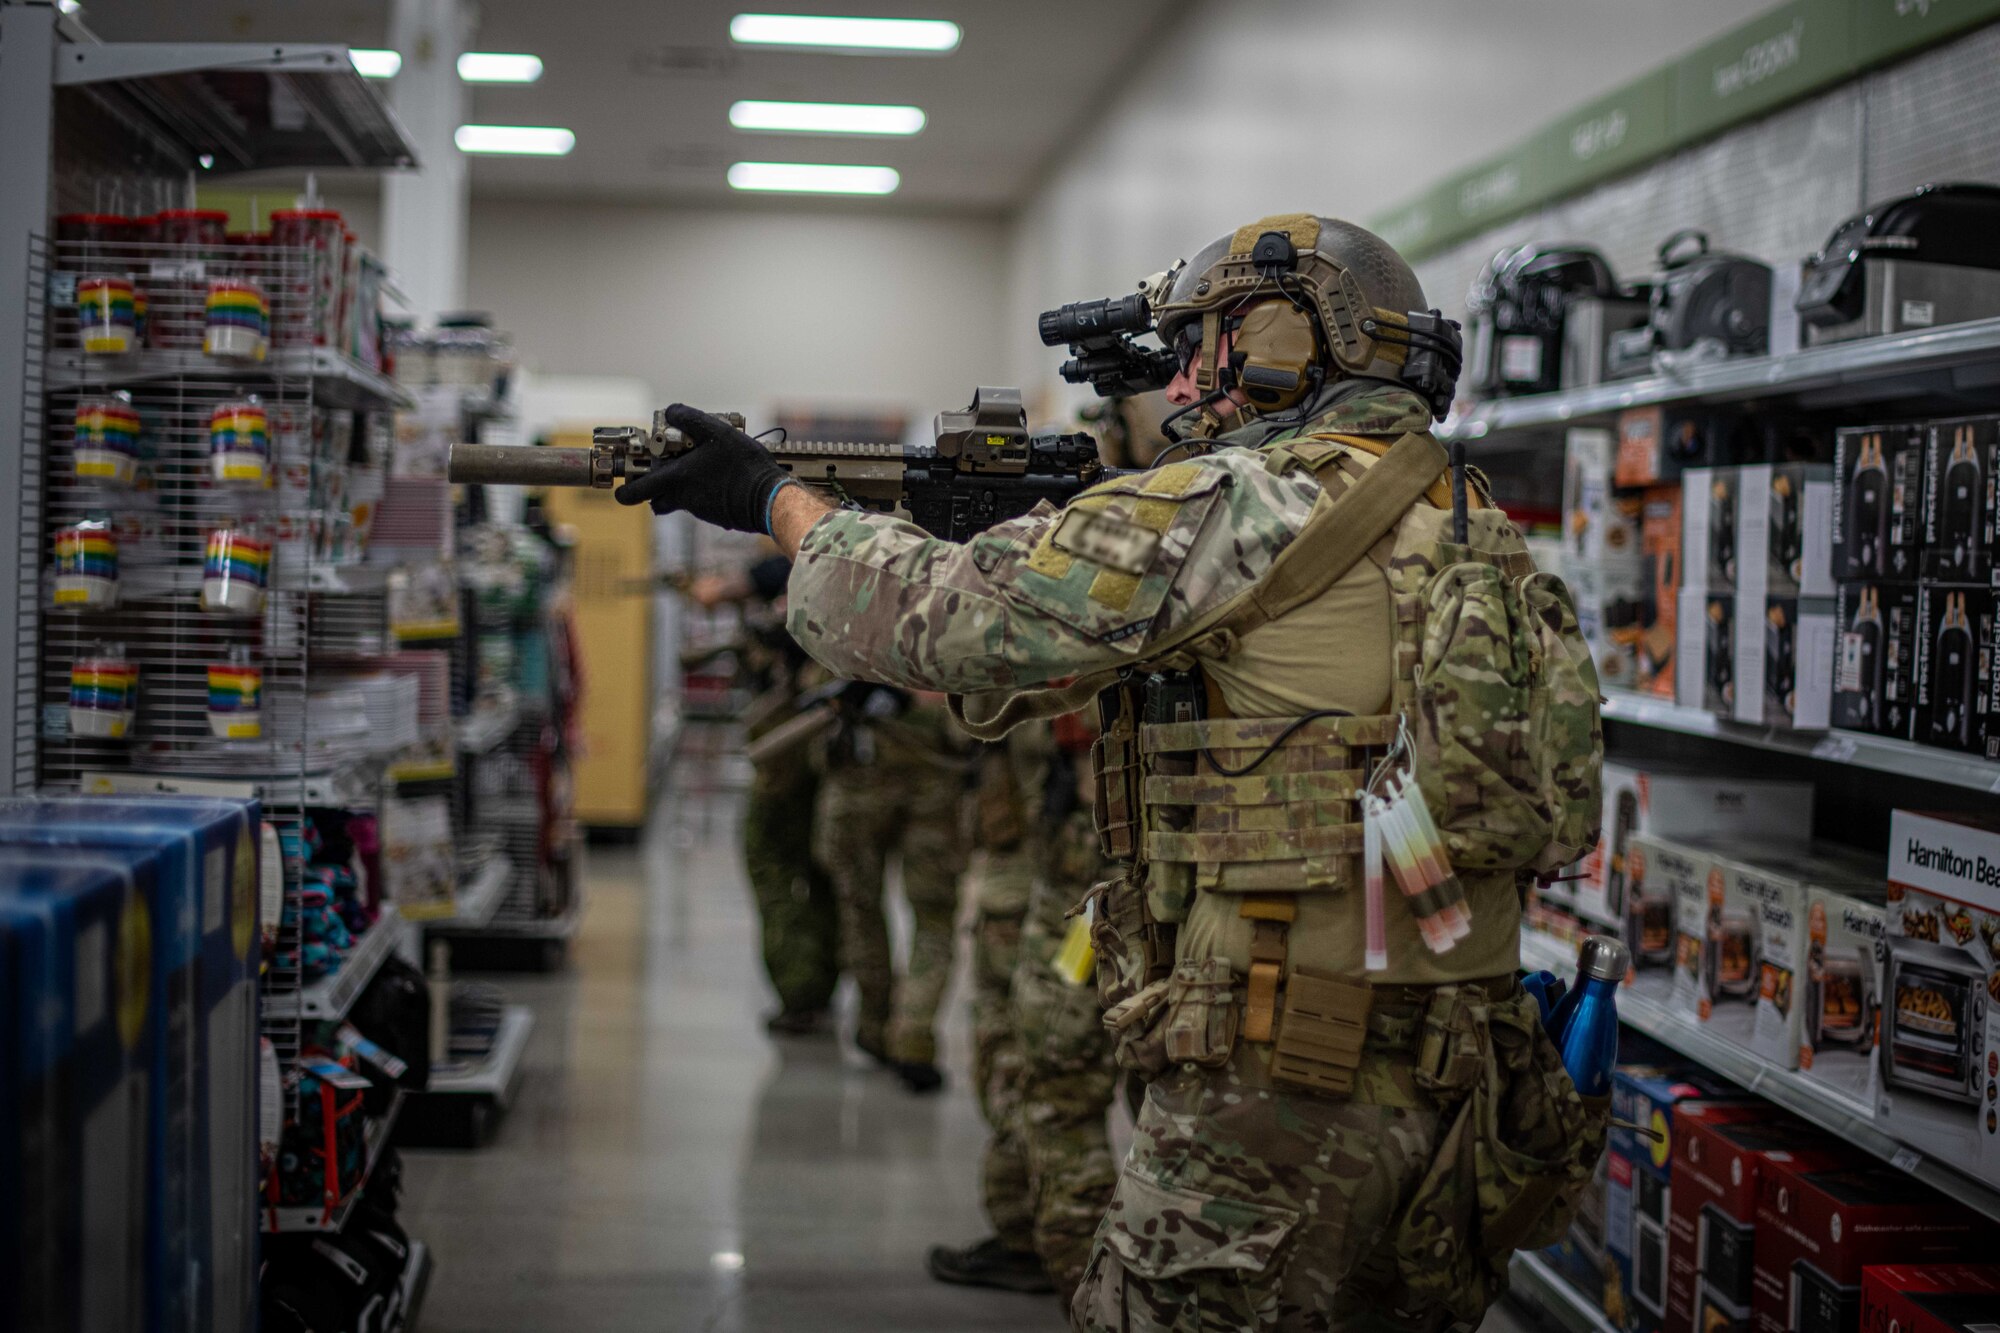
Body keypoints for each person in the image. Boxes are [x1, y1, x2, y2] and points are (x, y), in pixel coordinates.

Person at [616, 214, 1606, 1332]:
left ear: (1282, 338)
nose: (1182, 378)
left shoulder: (1238, 505)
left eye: (1203, 345)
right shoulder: (1468, 525)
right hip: (1460, 1083)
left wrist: (775, 501)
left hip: (1282, 1090)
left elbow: (931, 622)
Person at [929, 716, 1118, 1304]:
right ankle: (1041, 1242)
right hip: (1066, 871)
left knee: (1058, 1069)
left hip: (1090, 880)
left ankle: (1080, 1271)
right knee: (1039, 1057)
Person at [681, 554, 842, 1035]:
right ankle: (823, 982)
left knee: (771, 857)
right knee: (820, 865)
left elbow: (714, 592)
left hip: (788, 740)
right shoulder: (843, 560)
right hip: (823, 738)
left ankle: (799, 990)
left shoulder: (780, 567)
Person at [813, 683, 970, 1092]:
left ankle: (876, 1022)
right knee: (932, 915)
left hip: (862, 772)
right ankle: (913, 1031)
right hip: (932, 766)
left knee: (860, 907)